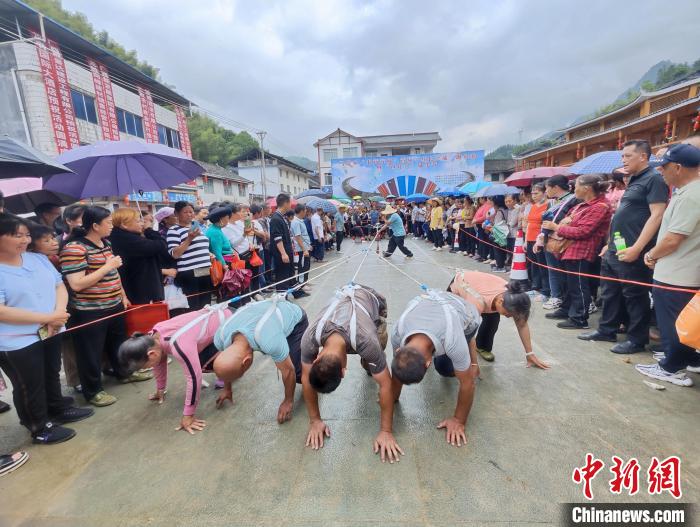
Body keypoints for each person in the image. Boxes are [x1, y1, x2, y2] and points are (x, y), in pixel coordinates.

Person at [0, 213, 94, 444]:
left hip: (51, 329)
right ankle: (39, 427)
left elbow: (59, 285)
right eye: (16, 235)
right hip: (17, 340)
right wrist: (49, 317)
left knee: (51, 373)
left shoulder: (36, 259)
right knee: (28, 385)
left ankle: (57, 408)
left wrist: (58, 315)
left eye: (26, 235)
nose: (24, 240)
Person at [578, 140, 669, 354]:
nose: (624, 160)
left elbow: (657, 215)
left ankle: (637, 339)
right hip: (615, 248)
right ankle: (606, 329)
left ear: (643, 157)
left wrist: (638, 248)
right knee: (610, 292)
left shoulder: (654, 179)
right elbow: (624, 215)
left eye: (628, 156)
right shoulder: (634, 180)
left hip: (633, 250)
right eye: (623, 156)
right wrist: (609, 244)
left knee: (635, 295)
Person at [300, 284, 403, 463]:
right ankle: (371, 365)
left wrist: (386, 431)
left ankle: (369, 364)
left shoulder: (368, 343)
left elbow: (386, 384)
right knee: (373, 364)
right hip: (342, 305)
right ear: (343, 371)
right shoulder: (309, 338)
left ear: (342, 371)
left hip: (372, 300)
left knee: (373, 365)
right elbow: (306, 378)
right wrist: (315, 420)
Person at [61, 206, 151, 408]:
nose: (111, 226)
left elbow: (114, 274)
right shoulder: (75, 248)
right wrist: (107, 267)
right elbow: (76, 284)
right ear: (94, 225)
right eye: (108, 223)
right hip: (90, 310)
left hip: (114, 304)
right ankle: (92, 391)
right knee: (90, 352)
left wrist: (122, 294)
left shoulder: (105, 243)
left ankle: (124, 372)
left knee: (117, 343)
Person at [635, 144, 700, 386]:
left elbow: (674, 238)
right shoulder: (688, 191)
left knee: (672, 322)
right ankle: (689, 359)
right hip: (681, 270)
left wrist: (652, 255)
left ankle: (672, 367)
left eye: (664, 167)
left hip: (677, 273)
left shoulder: (692, 195)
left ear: (678, 167)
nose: (661, 171)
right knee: (683, 321)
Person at [118, 302, 236, 433]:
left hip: (229, 322)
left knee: (201, 366)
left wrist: (188, 415)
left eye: (145, 366)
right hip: (211, 321)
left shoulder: (179, 345)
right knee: (196, 359)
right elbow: (159, 361)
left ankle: (224, 370)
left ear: (151, 354)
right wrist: (160, 390)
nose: (147, 368)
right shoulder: (153, 336)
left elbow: (194, 379)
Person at [390, 288, 481, 447]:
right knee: (444, 362)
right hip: (432, 307)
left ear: (428, 363)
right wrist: (392, 397)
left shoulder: (452, 340)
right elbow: (397, 370)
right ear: (398, 350)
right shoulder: (398, 333)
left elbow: (468, 384)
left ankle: (470, 345)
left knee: (445, 369)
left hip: (466, 315)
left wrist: (459, 420)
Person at [212, 296, 309, 423]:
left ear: (246, 362)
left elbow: (288, 371)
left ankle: (313, 359)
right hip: (265, 316)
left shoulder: (269, 340)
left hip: (293, 318)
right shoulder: (220, 337)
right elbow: (226, 366)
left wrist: (288, 401)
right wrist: (227, 388)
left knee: (298, 374)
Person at [542, 174, 613, 329]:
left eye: (576, 186)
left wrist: (557, 228)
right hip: (570, 248)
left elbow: (583, 231)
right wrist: (565, 226)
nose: (573, 189)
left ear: (586, 188)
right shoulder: (584, 204)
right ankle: (567, 309)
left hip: (582, 250)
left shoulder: (600, 206)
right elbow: (567, 221)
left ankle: (579, 318)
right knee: (570, 284)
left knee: (579, 285)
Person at [449, 270, 549, 368]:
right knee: (453, 330)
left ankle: (482, 347)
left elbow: (522, 325)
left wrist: (529, 353)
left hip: (484, 288)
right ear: (500, 301)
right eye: (509, 313)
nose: (510, 316)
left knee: (493, 320)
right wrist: (473, 364)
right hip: (461, 286)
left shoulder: (513, 296)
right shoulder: (476, 303)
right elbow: (468, 334)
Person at [109, 208, 173, 305]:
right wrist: (149, 230)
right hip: (141, 291)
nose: (142, 224)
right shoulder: (127, 239)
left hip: (140, 287)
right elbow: (161, 245)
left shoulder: (126, 236)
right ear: (124, 224)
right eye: (138, 221)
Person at [539, 175, 579, 310]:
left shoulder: (572, 200)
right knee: (553, 269)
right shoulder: (553, 202)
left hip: (563, 240)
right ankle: (556, 295)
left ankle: (559, 297)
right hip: (549, 238)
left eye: (547, 188)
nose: (546, 192)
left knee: (562, 271)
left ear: (556, 187)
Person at [167, 201, 213, 311]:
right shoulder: (173, 230)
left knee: (206, 303)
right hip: (189, 272)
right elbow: (175, 254)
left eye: (191, 212)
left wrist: (208, 254)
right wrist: (189, 239)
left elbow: (200, 246)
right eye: (185, 212)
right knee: (194, 305)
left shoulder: (196, 228)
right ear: (176, 214)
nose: (189, 214)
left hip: (204, 270)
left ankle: (206, 325)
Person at [525, 183, 550, 301]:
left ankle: (546, 290)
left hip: (539, 240)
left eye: (537, 193)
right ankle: (536, 287)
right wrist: (525, 240)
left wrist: (539, 240)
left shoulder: (548, 205)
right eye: (532, 193)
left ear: (544, 193)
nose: (534, 196)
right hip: (530, 238)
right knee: (534, 265)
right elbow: (529, 223)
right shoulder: (533, 206)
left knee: (542, 265)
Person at [269, 194, 297, 294]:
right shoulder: (276, 218)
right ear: (285, 203)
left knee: (287, 275)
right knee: (282, 276)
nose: (291, 204)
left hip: (287, 249)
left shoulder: (282, 217)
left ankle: (286, 295)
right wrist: (283, 253)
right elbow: (277, 238)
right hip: (281, 252)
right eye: (289, 202)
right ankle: (281, 298)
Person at [290, 204, 312, 294]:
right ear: (302, 211)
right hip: (300, 249)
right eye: (305, 211)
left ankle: (304, 281)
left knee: (306, 265)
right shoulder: (295, 222)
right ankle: (301, 284)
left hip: (305, 247)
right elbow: (298, 237)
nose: (306, 212)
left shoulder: (300, 220)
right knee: (302, 266)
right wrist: (304, 249)